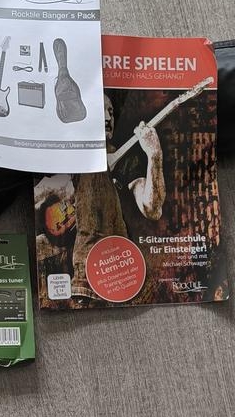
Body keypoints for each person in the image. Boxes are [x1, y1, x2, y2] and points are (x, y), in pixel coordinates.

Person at [69, 93, 166, 299]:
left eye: (111, 112)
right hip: (78, 259)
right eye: (100, 110)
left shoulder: (125, 158)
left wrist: (154, 156)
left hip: (116, 264)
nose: (107, 117)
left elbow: (152, 209)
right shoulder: (72, 151)